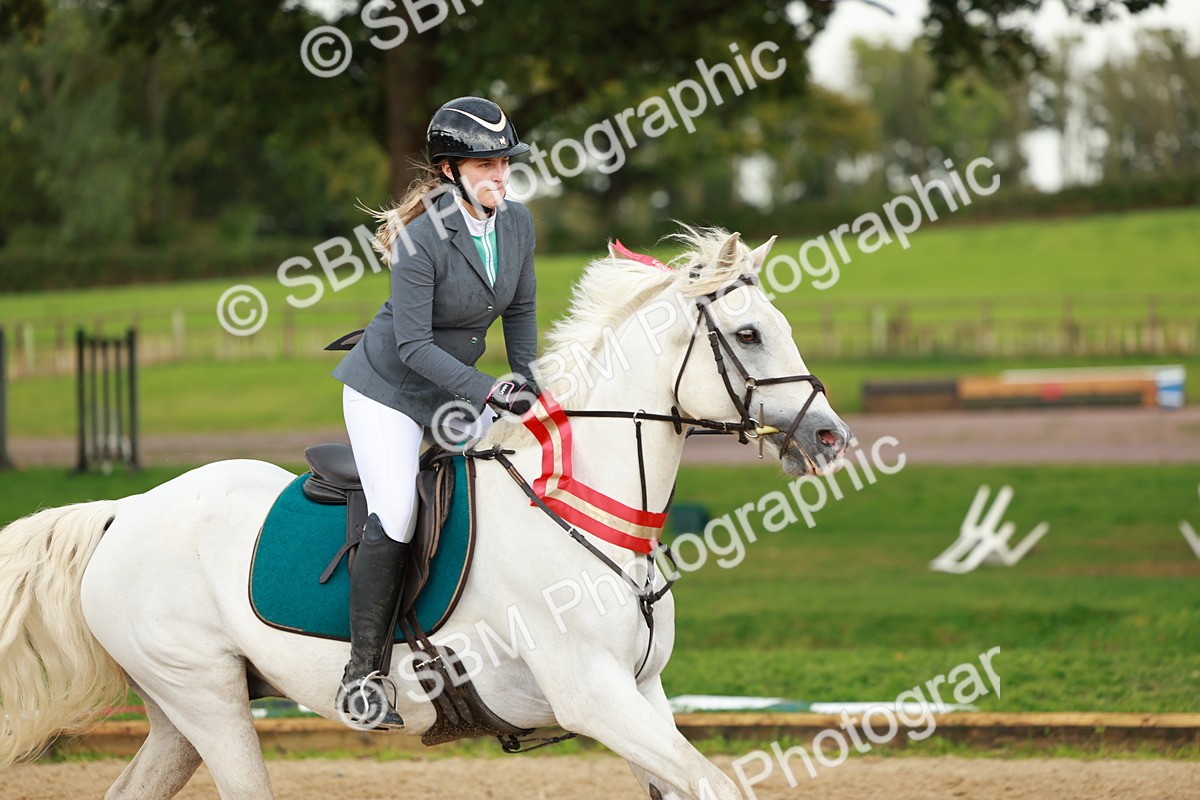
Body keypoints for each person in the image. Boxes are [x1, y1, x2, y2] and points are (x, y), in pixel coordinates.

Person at [330, 96, 539, 727]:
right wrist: (487, 390)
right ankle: (363, 673)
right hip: (388, 391)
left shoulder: (518, 224)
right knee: (396, 511)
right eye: (485, 164)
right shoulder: (421, 237)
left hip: (456, 391)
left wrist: (526, 382)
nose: (499, 174)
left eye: (504, 161)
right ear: (450, 170)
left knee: (509, 480)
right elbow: (413, 346)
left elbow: (521, 312)